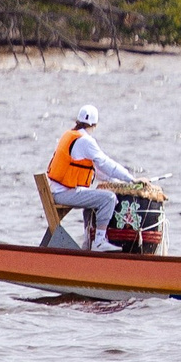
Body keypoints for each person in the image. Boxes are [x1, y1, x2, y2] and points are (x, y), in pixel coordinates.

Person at [44, 104, 138, 253]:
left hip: (58, 191)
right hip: (62, 194)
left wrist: (117, 182)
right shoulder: (86, 141)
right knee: (108, 199)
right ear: (95, 124)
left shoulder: (70, 135)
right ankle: (99, 242)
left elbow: (96, 170)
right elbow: (106, 164)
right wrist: (131, 179)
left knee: (96, 198)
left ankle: (88, 241)